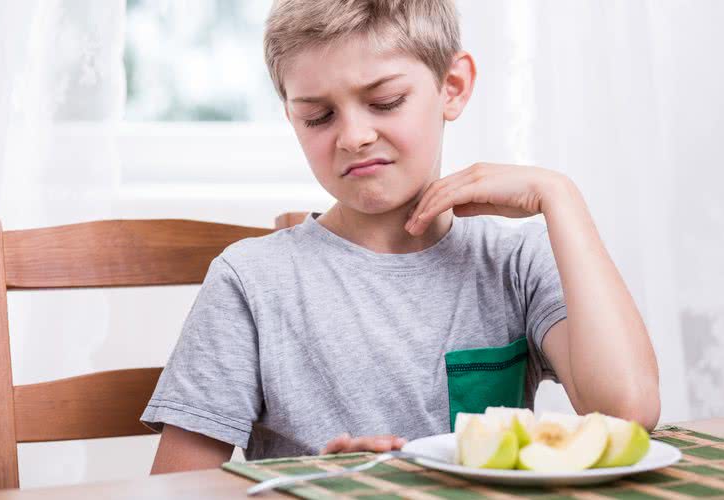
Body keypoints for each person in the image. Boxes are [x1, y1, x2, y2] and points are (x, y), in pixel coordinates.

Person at [142, 0, 660, 474]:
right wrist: (305, 482)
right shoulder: (252, 280)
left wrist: (560, 198)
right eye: (317, 116)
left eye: (385, 101)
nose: (353, 136)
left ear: (451, 87)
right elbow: (177, 486)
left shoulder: (516, 261)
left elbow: (627, 411)